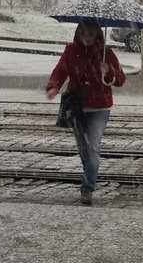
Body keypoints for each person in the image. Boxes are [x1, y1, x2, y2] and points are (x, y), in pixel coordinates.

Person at [45, 19, 126, 205]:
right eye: (83, 34)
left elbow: (121, 79)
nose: (86, 38)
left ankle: (87, 188)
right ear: (77, 34)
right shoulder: (71, 51)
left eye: (90, 34)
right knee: (83, 149)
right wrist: (54, 87)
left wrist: (109, 71)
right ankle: (90, 171)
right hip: (78, 105)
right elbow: (60, 71)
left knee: (92, 147)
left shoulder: (106, 53)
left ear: (97, 34)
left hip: (100, 107)